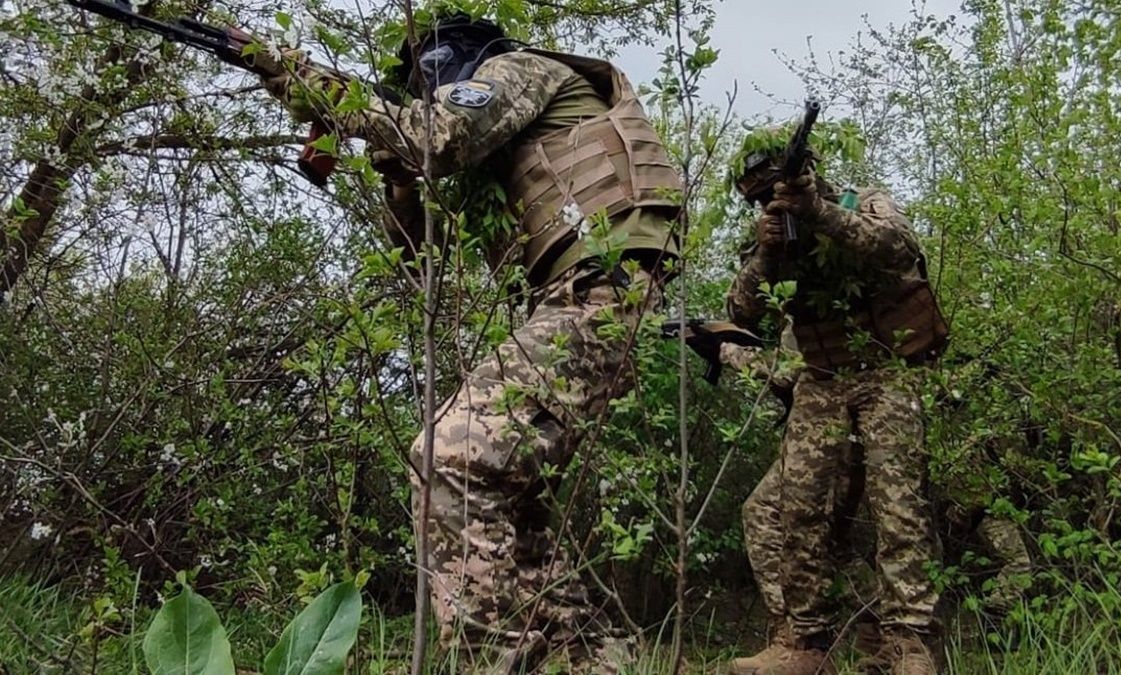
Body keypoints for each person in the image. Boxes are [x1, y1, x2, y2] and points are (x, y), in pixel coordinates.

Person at [257, 10, 681, 673]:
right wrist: (398, 170)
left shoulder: (518, 71)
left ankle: (492, 662)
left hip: (599, 292)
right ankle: (597, 658)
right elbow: (413, 255)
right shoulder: (501, 138)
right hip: (584, 300)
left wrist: (305, 81)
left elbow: (444, 132)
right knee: (519, 502)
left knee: (446, 460)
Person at [720, 138, 949, 675]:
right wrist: (767, 252)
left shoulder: (860, 201)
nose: (766, 205)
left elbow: (897, 247)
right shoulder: (772, 237)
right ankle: (803, 645)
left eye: (773, 192)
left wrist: (818, 212)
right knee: (798, 510)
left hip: (886, 371)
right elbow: (741, 313)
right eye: (757, 199)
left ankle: (908, 643)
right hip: (820, 383)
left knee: (900, 508)